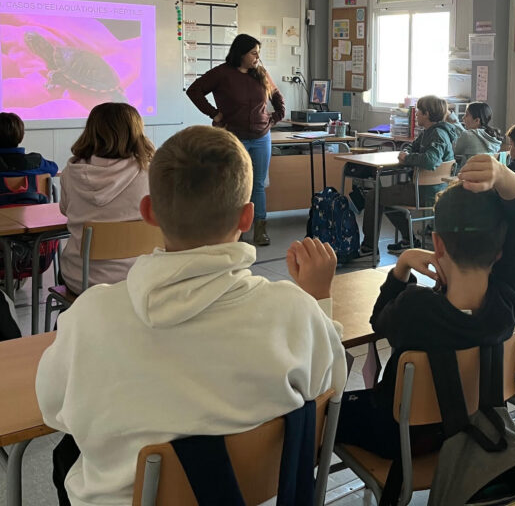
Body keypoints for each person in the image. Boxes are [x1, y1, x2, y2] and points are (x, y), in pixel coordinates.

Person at [36, 126, 347, 506]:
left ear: (148, 211)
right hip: (255, 498)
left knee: (67, 455)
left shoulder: (90, 316)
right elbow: (330, 390)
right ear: (247, 217)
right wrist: (319, 300)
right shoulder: (294, 310)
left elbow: (52, 410)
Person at [336, 153, 515, 460]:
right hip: (477, 432)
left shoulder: (414, 308)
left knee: (326, 411)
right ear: (500, 252)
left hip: (403, 443)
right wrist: (505, 175)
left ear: (437, 244)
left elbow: (378, 320)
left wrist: (402, 266)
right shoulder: (511, 303)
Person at [186, 34, 285, 246]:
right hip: (234, 137)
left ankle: (260, 229)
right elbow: (194, 91)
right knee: (235, 185)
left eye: (258, 53)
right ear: (241, 53)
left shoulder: (260, 73)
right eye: (253, 53)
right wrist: (214, 114)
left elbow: (276, 95)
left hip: (261, 137)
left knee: (258, 184)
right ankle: (235, 230)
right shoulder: (222, 73)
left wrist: (276, 117)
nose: (257, 58)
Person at [58, 103, 155, 294]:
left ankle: (77, 314)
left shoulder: (71, 173)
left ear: (91, 131)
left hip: (81, 279)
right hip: (139, 280)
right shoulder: (151, 173)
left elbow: (64, 209)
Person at [359, 95, 458, 254]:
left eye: (418, 111)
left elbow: (431, 161)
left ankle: (369, 247)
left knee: (373, 196)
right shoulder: (429, 132)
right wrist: (407, 152)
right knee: (386, 196)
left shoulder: (437, 134)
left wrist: (407, 158)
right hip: (436, 191)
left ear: (427, 114)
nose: (416, 114)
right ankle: (407, 240)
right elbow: (412, 146)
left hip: (426, 193)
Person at [452, 102, 503, 167]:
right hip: (487, 171)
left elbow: (454, 151)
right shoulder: (493, 137)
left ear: (477, 120)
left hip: (469, 171)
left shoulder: (467, 135)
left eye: (466, 115)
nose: (463, 118)